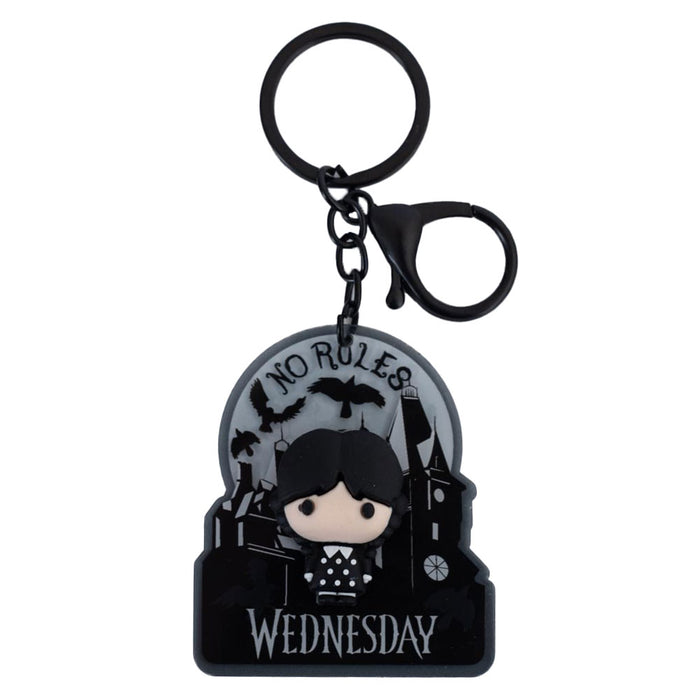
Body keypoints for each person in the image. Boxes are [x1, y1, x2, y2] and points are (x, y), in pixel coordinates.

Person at [273, 429, 406, 605]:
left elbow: (365, 560)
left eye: (367, 510)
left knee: (349, 586)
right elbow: (312, 559)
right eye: (308, 508)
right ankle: (326, 593)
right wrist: (310, 571)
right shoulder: (317, 550)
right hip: (325, 575)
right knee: (326, 587)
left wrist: (366, 573)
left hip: (350, 575)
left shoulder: (359, 551)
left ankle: (347, 595)